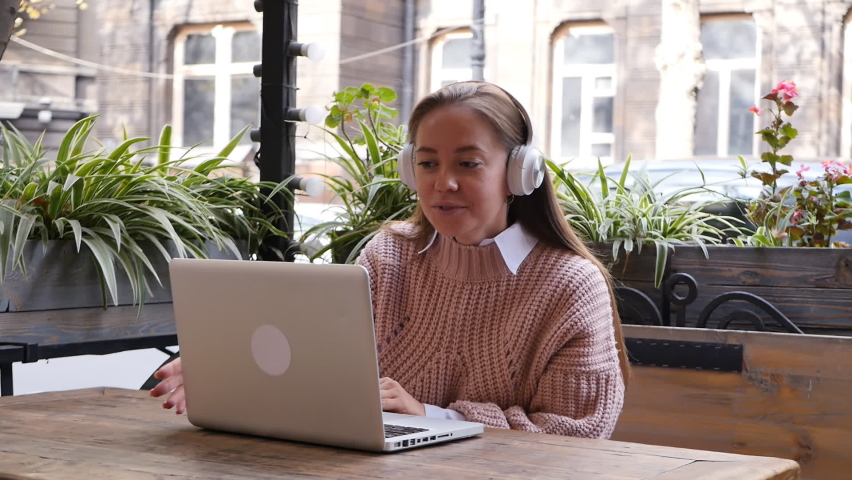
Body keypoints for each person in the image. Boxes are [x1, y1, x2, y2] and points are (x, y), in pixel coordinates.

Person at [151, 81, 629, 439]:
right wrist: (229, 374)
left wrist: (432, 417)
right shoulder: (389, 256)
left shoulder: (569, 285)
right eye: (427, 163)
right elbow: (319, 365)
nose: (443, 183)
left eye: (468, 163)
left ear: (520, 172)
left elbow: (575, 437)